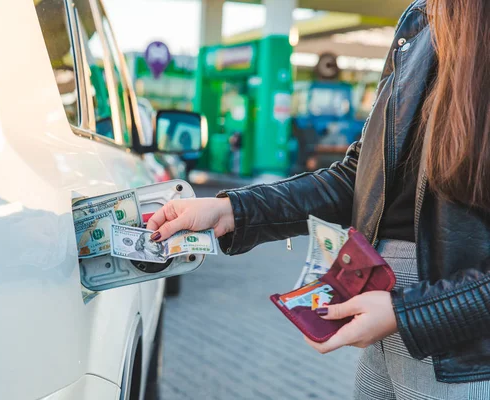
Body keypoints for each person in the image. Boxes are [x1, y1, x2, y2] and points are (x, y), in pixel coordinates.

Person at [147, 0, 490, 398]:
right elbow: (355, 178)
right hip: (383, 310)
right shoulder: (421, 22)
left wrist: (408, 313)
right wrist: (231, 210)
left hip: (458, 342)